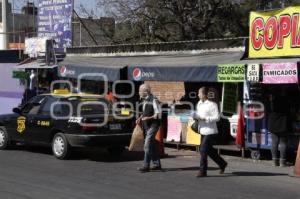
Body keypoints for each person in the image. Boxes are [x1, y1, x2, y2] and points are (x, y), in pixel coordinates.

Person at [193, 87, 227, 177]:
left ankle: (202, 171)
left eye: (199, 93)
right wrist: (195, 117)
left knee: (203, 149)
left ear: (204, 94)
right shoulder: (199, 103)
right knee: (209, 151)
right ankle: (222, 163)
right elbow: (198, 114)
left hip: (210, 131)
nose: (198, 95)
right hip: (202, 130)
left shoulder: (212, 105)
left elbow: (217, 117)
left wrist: (205, 119)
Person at [136, 84, 162, 172]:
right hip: (147, 125)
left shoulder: (154, 100)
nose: (139, 92)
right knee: (152, 144)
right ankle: (156, 164)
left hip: (154, 125)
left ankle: (145, 165)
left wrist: (148, 118)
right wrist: (140, 117)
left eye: (140, 90)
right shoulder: (145, 100)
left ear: (145, 91)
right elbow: (145, 112)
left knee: (147, 144)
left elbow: (157, 114)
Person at [267, 88, 291, 167]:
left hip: (273, 124)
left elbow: (268, 110)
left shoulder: (272, 101)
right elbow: (289, 111)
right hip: (283, 124)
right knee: (283, 143)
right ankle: (282, 162)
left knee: (274, 142)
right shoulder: (286, 100)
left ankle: (274, 161)